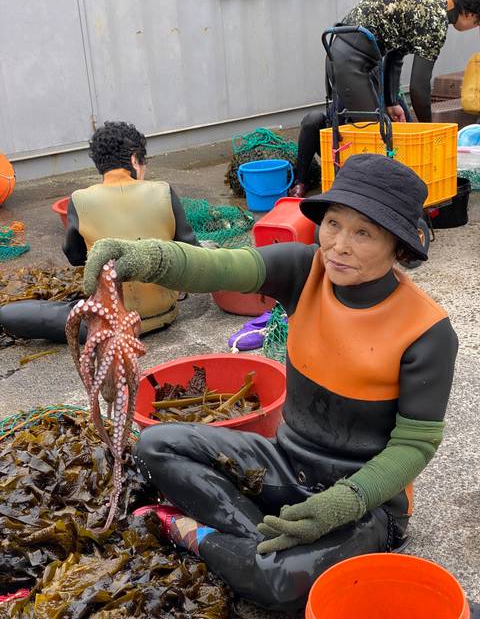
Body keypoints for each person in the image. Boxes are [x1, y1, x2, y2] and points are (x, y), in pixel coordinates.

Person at [83, 154, 458, 612]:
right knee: (156, 445)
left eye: (363, 233)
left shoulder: (428, 331)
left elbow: (415, 445)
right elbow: (219, 267)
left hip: (366, 502)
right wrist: (148, 257)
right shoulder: (303, 269)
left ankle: (194, 534)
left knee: (283, 587)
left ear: (399, 247)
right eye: (334, 223)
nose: (338, 245)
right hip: (283, 463)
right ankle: (261, 542)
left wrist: (345, 501)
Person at [0, 121, 199, 342]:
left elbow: (75, 257)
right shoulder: (164, 190)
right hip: (165, 312)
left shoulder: (79, 199)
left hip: (109, 322)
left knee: (9, 314)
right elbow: (192, 251)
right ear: (135, 159)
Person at [289, 0, 480, 198]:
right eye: (478, 22)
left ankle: (361, 190)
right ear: (468, 14)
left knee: (379, 127)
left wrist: (391, 102)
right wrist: (430, 132)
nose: (476, 27)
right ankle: (368, 197)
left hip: (347, 54)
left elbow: (395, 56)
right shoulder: (435, 23)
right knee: (377, 133)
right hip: (352, 61)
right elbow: (419, 87)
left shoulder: (426, 5)